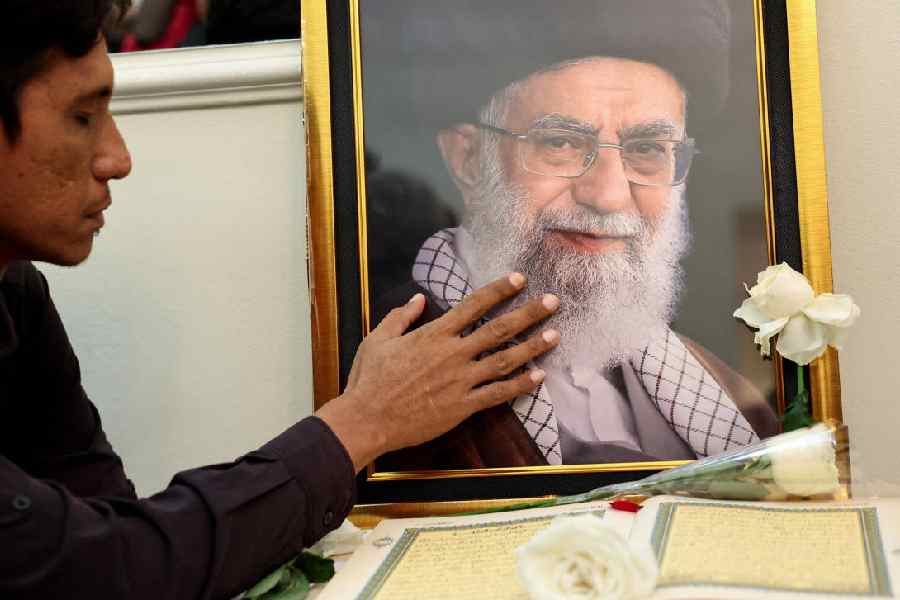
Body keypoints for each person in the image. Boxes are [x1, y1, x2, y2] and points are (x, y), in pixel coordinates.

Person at [0, 1, 561, 597]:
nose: (118, 158)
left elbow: (112, 529)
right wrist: (361, 423)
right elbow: (110, 571)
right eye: (82, 117)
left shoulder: (15, 292)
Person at [370, 0, 779, 472]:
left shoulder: (718, 389)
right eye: (560, 142)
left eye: (647, 149)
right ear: (469, 160)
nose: (607, 195)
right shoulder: (387, 378)